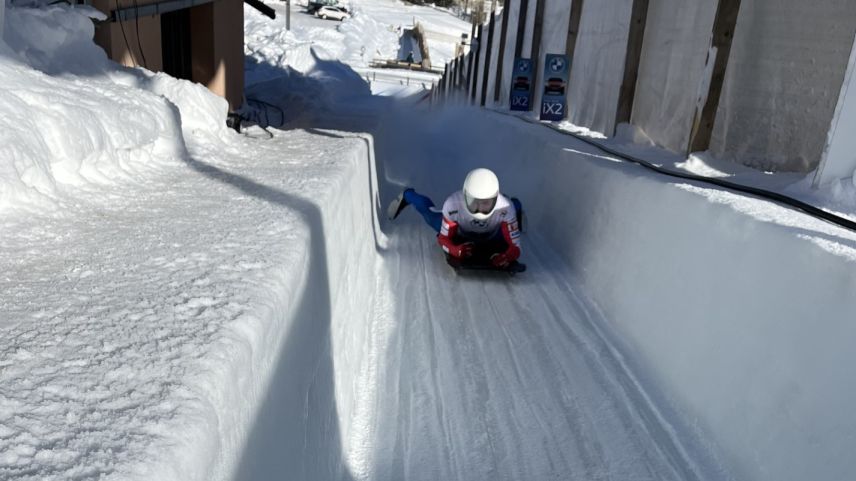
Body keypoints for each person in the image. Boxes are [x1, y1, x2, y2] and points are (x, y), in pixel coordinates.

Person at [388, 168, 522, 268]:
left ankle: (517, 204)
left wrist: (506, 257)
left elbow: (516, 247)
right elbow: (443, 239)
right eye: (474, 202)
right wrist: (455, 250)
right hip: (461, 231)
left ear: (495, 198)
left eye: (486, 203)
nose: (479, 209)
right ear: (465, 196)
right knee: (430, 215)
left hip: (493, 233)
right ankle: (408, 195)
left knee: (512, 208)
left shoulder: (505, 207)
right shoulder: (452, 205)